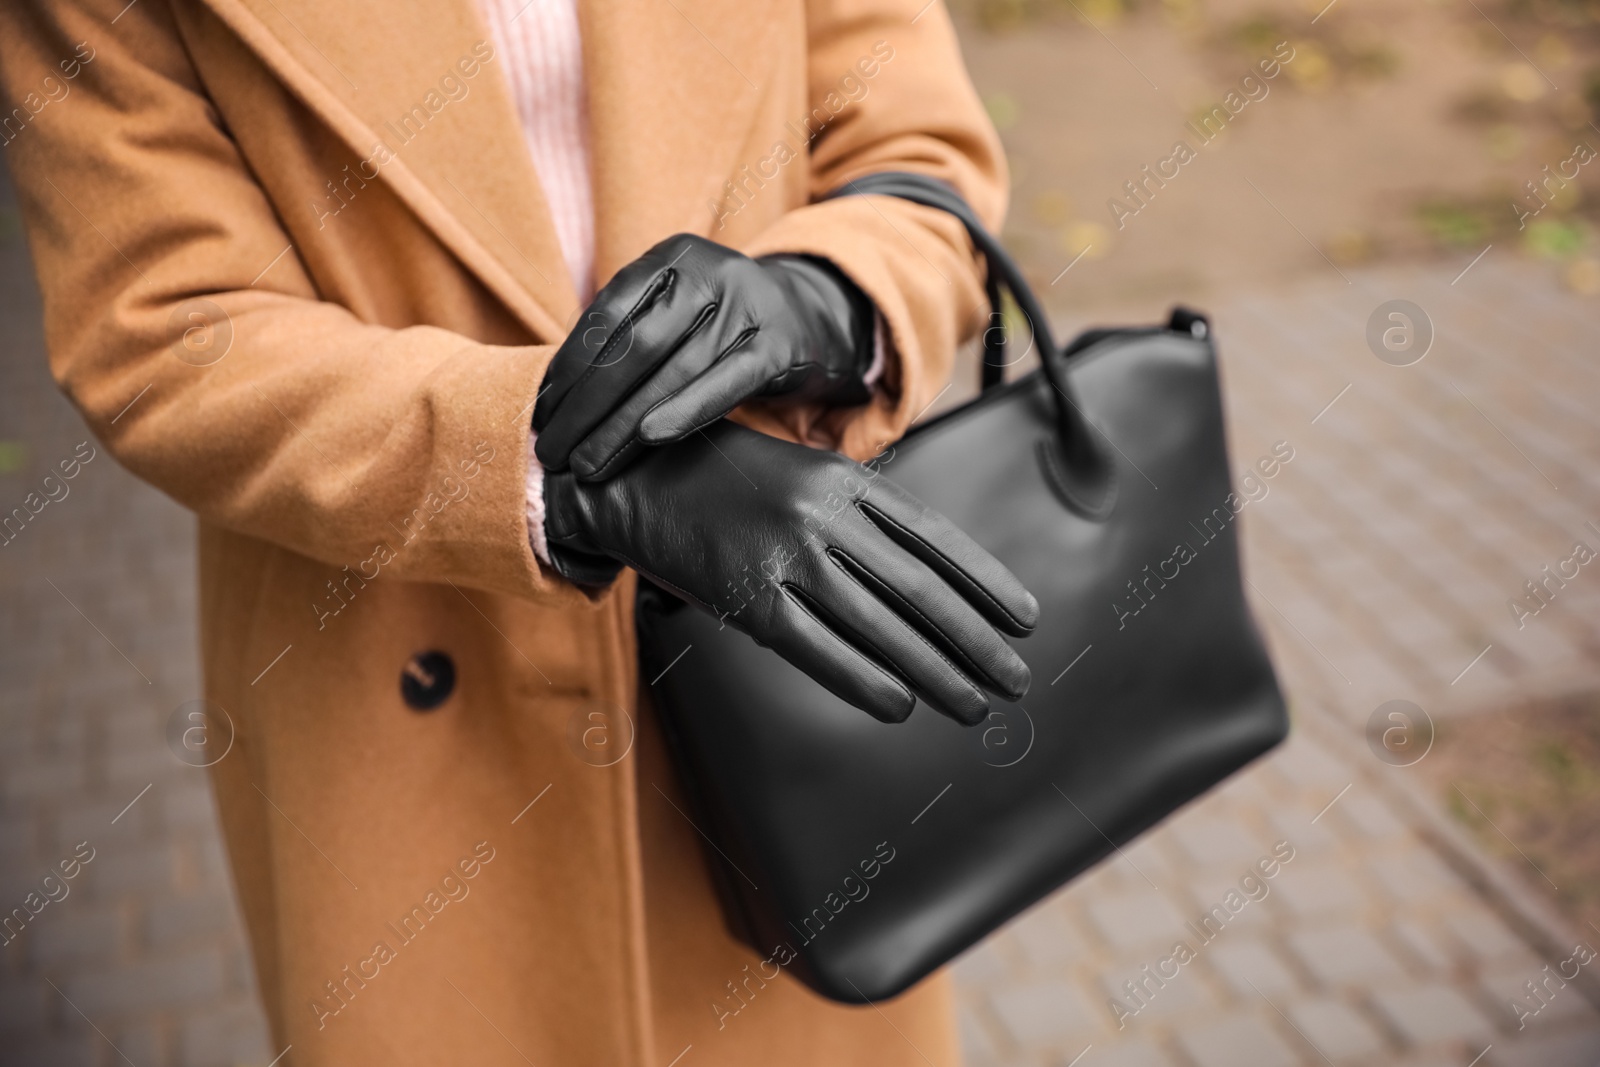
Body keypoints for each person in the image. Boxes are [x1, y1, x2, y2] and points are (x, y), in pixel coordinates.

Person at [0, 0, 1017, 1062]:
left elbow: (912, 145)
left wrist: (823, 297)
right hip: (397, 677)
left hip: (781, 644)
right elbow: (167, 327)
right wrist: (555, 477)